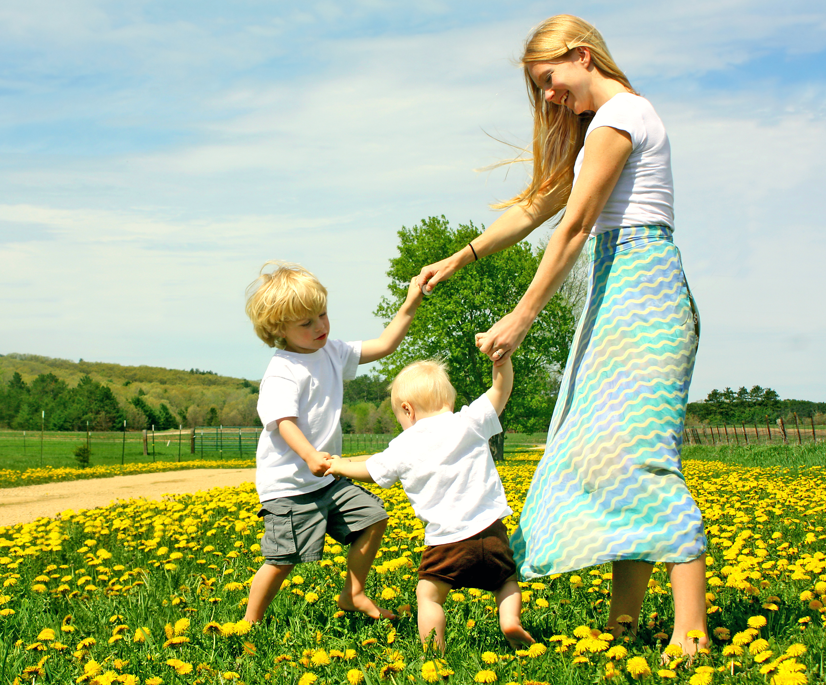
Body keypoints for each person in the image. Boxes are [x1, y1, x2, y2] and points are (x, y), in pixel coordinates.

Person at [416, 15, 708, 654]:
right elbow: (532, 208)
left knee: (640, 459)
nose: (550, 97)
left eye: (550, 81)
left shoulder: (621, 116)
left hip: (645, 293)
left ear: (582, 55)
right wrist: (459, 258)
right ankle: (624, 626)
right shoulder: (599, 130)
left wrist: (519, 320)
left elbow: (574, 228)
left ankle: (692, 637)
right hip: (620, 292)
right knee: (607, 457)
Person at [241, 261, 423, 623]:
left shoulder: (332, 352)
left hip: (326, 478)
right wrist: (309, 455)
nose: (320, 326)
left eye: (322, 314)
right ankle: (249, 622)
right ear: (279, 329)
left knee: (373, 518)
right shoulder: (282, 370)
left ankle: (353, 593)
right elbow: (283, 423)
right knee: (282, 560)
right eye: (306, 323)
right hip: (290, 487)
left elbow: (386, 344)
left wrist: (412, 300)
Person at [326, 358, 534, 652]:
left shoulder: (404, 444)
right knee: (506, 581)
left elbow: (372, 472)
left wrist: (339, 466)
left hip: (446, 542)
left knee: (428, 596)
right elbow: (501, 390)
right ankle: (510, 619)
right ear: (448, 401)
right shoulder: (469, 422)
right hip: (492, 533)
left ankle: (434, 652)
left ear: (407, 409)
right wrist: (502, 359)